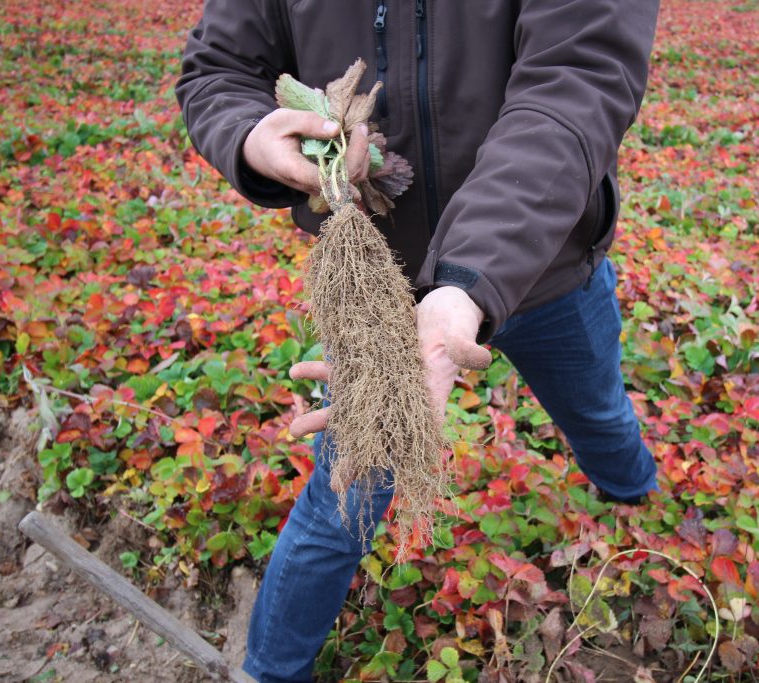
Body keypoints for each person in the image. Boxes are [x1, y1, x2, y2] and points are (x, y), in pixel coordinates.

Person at [176, 1, 660, 680]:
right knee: (343, 496)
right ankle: (270, 672)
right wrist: (250, 137)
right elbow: (218, 69)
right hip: (381, 292)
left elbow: (577, 81)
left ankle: (634, 498)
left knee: (599, 412)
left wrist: (466, 281)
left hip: (548, 270)